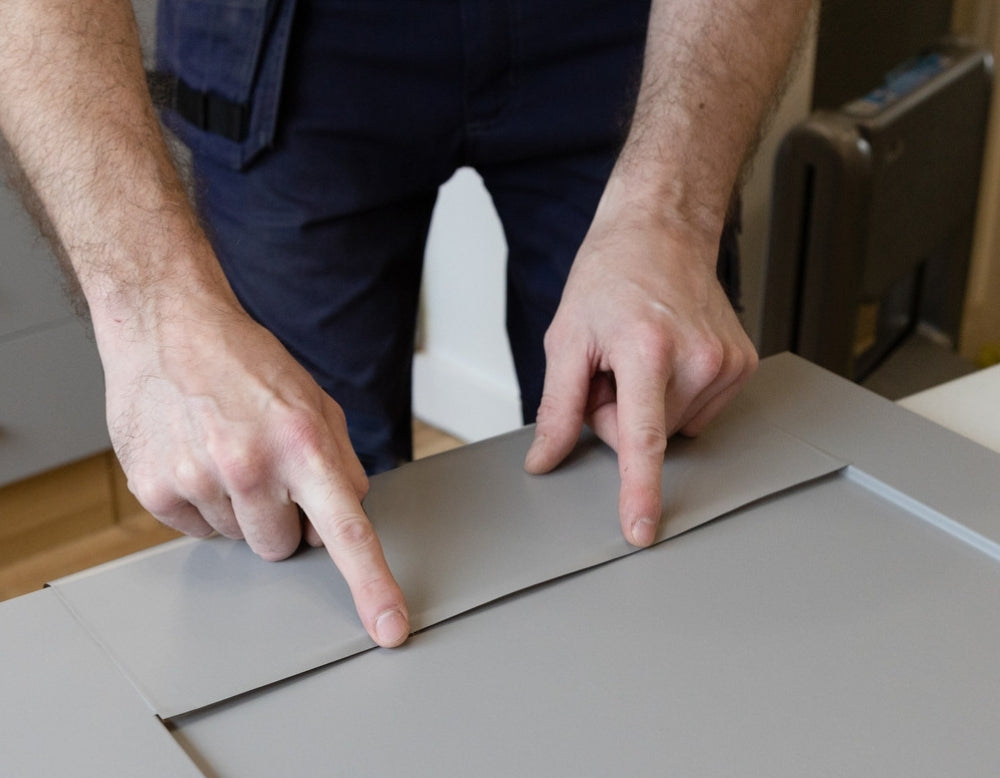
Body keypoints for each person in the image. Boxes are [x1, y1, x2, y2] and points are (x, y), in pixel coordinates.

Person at [0, 0, 811, 647]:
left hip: (628, 32)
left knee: (647, 462)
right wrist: (154, 309)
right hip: (278, 33)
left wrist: (674, 207)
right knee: (296, 524)